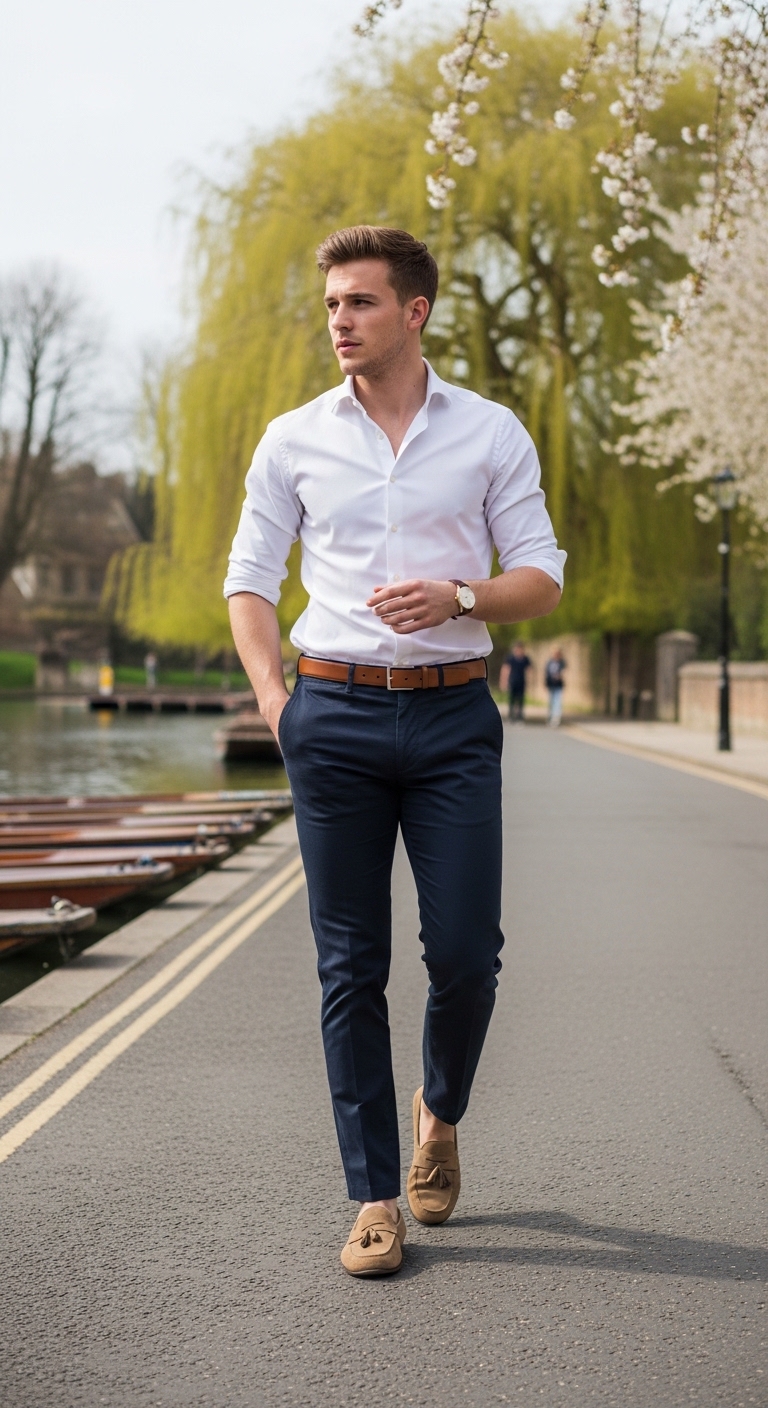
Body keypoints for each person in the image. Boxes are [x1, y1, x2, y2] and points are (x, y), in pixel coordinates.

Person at [224, 225, 565, 1277]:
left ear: (413, 313)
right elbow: (249, 577)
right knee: (349, 964)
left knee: (466, 953)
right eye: (331, 304)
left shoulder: (491, 432)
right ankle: (374, 1195)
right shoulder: (292, 438)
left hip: (455, 715)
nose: (340, 321)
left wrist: (459, 595)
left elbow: (542, 574)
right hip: (333, 716)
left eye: (360, 302)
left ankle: (440, 1108)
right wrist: (278, 697)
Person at [501, 641, 531, 721]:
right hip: (512, 681)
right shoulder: (510, 658)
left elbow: (528, 670)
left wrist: (529, 682)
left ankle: (519, 716)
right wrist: (504, 681)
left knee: (520, 699)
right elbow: (506, 669)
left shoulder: (525, 659)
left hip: (521, 682)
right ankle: (511, 715)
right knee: (512, 699)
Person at [545, 647, 566, 725]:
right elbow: (546, 674)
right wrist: (545, 684)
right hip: (551, 684)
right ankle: (550, 717)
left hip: (558, 685)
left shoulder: (562, 663)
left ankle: (556, 718)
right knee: (551, 702)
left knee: (557, 702)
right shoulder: (549, 662)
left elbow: (564, 671)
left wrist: (559, 675)